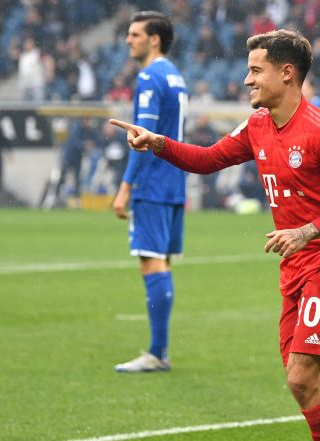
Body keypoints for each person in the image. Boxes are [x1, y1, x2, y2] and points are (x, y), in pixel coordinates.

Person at [110, 29, 320, 441]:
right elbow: (209, 159)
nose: (246, 80)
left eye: (256, 71)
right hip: (295, 266)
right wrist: (158, 143)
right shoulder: (258, 124)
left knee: (303, 380)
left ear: (287, 73)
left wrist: (308, 231)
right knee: (315, 383)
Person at [112, 11, 188, 373]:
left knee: (151, 261)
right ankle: (160, 350)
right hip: (174, 181)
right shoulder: (175, 76)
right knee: (163, 262)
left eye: (135, 34)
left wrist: (125, 188)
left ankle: (158, 352)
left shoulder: (148, 77)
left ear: (154, 39)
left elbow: (141, 138)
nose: (129, 40)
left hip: (152, 183)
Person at [57, 117, 96, 199]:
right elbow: (75, 142)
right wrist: (84, 144)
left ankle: (76, 197)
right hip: (69, 156)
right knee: (63, 177)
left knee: (77, 178)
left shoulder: (88, 131)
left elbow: (94, 140)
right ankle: (56, 195)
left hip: (78, 157)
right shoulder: (76, 128)